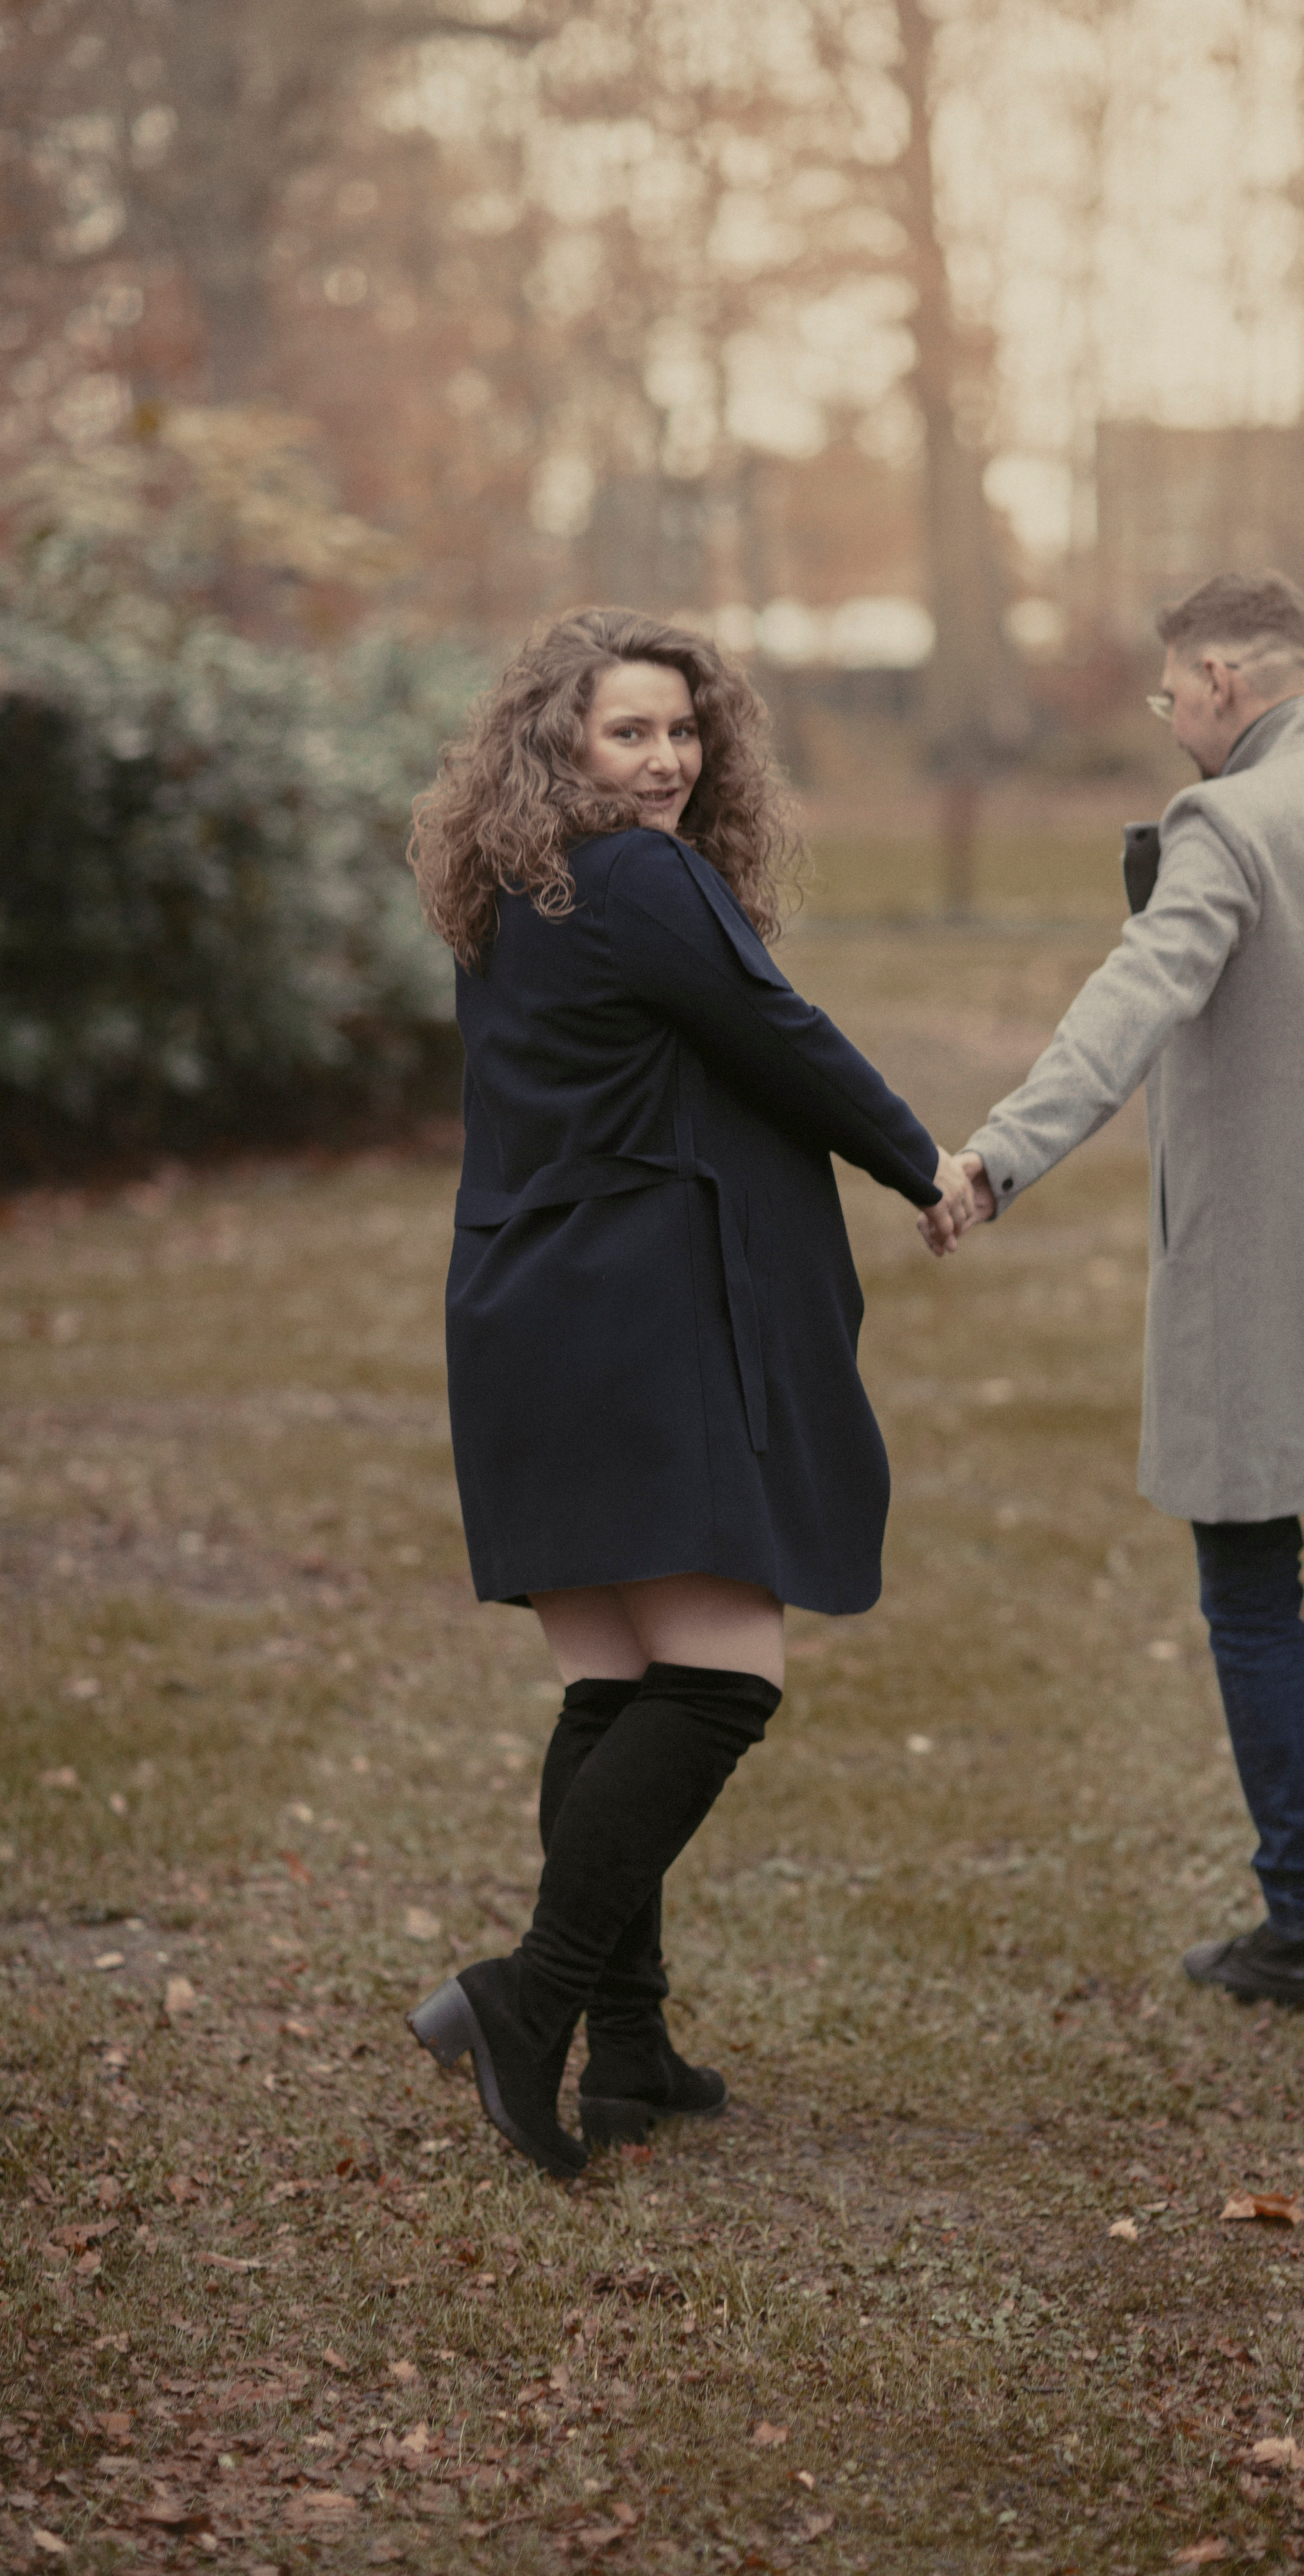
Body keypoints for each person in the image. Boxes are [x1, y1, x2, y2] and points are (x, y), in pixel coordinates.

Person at [403, 607, 976, 2176]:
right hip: (628, 1320)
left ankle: (630, 2055)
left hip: (530, 1311)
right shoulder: (639, 875)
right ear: (560, 747)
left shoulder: (509, 889)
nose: (664, 763)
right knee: (722, 1680)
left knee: (611, 1692)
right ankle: (529, 2004)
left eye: (680, 732)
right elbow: (777, 1035)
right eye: (627, 735)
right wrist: (928, 1165)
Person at [928, 570, 1304, 2030]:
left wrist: (997, 1156)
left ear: (1217, 679)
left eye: (1166, 696)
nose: (1168, 725)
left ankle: (1300, 1927)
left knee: (1250, 1591)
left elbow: (1128, 1004)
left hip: (1262, 1296)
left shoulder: (1226, 822)